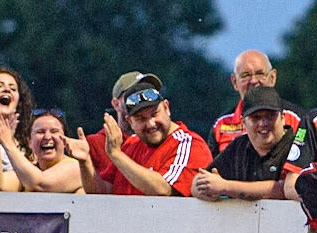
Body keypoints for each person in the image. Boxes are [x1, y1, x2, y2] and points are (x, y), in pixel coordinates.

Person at [69, 78, 211, 196]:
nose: (150, 124)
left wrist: (115, 154)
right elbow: (102, 192)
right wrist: (85, 161)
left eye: (154, 113)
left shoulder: (188, 144)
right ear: (130, 122)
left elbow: (163, 189)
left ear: (167, 108)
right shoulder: (130, 145)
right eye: (140, 118)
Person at [192, 85, 315, 201]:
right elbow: (196, 183)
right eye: (256, 117)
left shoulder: (298, 146)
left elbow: (287, 188)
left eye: (270, 116)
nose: (263, 123)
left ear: (282, 117)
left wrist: (225, 187)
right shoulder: (239, 146)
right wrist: (207, 190)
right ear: (243, 123)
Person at [210, 49, 302, 155]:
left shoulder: (298, 119)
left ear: (272, 78)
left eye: (260, 74)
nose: (253, 81)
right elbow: (210, 168)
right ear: (234, 82)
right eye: (246, 75)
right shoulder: (221, 125)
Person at [0, 108, 82, 194]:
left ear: (65, 140)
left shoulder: (76, 167)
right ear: (30, 142)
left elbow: (39, 184)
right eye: (40, 132)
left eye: (54, 131)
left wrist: (8, 143)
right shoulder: (28, 173)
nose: (47, 137)